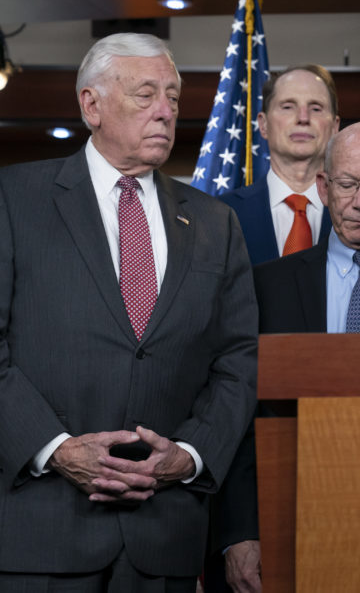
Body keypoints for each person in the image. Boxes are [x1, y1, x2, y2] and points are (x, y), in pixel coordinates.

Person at [0, 33, 257, 590]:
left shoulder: (216, 223)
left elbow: (238, 358)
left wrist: (188, 456)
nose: (165, 111)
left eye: (173, 96)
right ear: (91, 105)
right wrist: (57, 449)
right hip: (40, 529)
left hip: (164, 540)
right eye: (146, 95)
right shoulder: (13, 199)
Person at [208, 121, 360, 593]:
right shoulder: (265, 287)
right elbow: (241, 418)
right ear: (323, 187)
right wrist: (240, 532)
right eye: (346, 185)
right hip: (292, 508)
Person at [219, 64, 339, 265]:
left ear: (335, 127)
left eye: (316, 108)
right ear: (263, 124)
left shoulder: (358, 214)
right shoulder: (222, 215)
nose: (303, 118)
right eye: (288, 107)